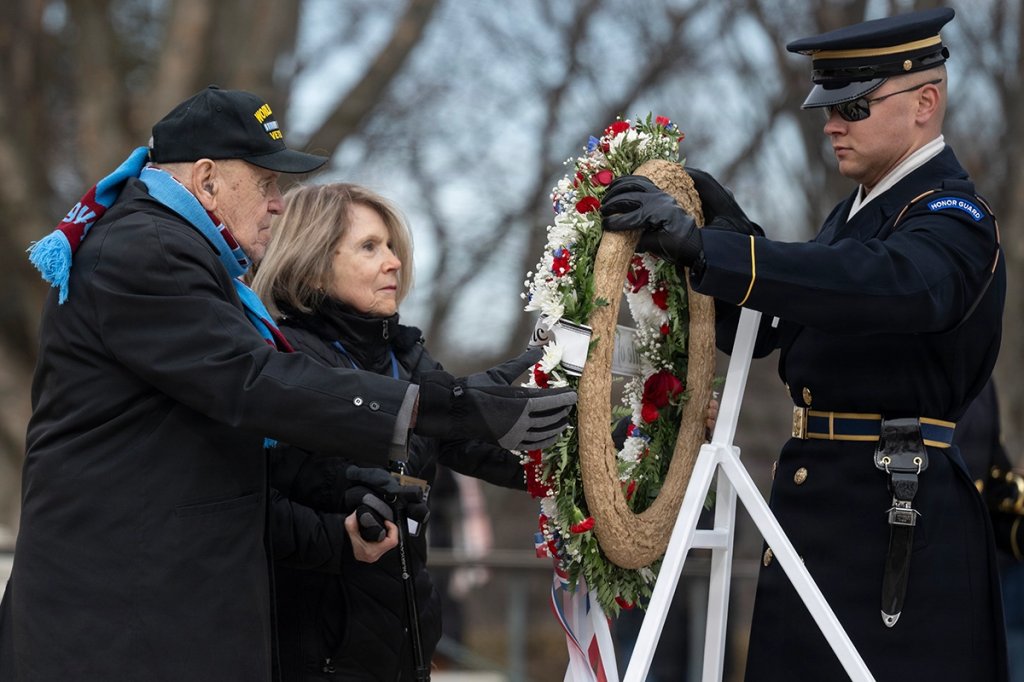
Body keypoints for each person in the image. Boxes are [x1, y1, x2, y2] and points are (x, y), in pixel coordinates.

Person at [0, 86, 576, 682]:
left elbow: (233, 467)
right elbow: (255, 380)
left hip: (151, 619)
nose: (279, 205)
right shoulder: (149, 249)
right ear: (207, 178)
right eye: (267, 183)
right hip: (117, 625)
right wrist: (450, 407)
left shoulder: (177, 251)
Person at [600, 7, 1006, 681]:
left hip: (894, 518)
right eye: (828, 107)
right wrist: (723, 237)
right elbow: (791, 325)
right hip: (822, 508)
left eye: (853, 105)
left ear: (925, 103)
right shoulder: (855, 215)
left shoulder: (952, 217)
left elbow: (886, 286)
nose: (832, 125)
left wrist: (726, 251)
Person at [251, 182, 532, 681]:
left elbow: (475, 446)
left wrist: (604, 440)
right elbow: (257, 505)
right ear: (314, 262)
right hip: (315, 658)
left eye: (390, 245)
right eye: (369, 246)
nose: (394, 262)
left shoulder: (405, 355)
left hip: (407, 651)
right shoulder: (281, 358)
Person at [955, 379, 1024, 681]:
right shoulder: (919, 365)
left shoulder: (982, 380)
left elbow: (993, 489)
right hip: (927, 568)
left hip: (983, 572)